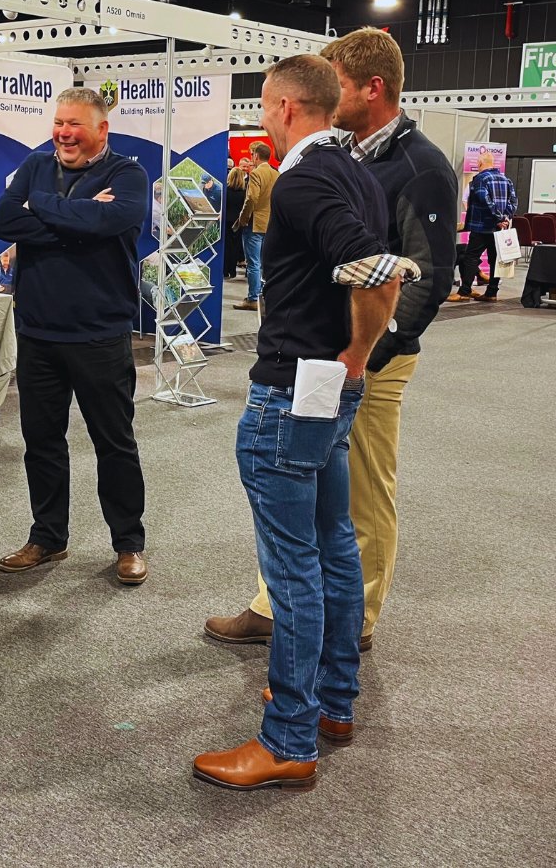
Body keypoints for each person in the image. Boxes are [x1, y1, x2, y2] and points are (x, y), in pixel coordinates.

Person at [205, 26, 459, 655]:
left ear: (372, 87)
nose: (330, 97)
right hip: (325, 354)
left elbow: (424, 275)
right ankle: (278, 607)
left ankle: (356, 621)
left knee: (361, 496)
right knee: (307, 495)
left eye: (339, 84)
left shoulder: (419, 165)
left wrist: (363, 354)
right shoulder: (351, 160)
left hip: (369, 356)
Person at [192, 55, 401, 791]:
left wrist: (357, 352)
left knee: (294, 569)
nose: (261, 120)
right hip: (323, 390)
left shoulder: (308, 177)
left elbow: (377, 268)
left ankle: (288, 739)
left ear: (283, 107)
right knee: (333, 547)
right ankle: (331, 704)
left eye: (262, 109)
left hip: (293, 391)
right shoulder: (358, 173)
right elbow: (371, 268)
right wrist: (356, 360)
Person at [0, 87, 150, 585]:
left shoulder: (128, 174)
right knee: (41, 441)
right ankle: (47, 537)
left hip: (100, 334)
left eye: (75, 124)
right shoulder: (38, 167)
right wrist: (77, 215)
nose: (63, 132)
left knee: (114, 443)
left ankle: (128, 543)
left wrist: (40, 209)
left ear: (102, 129)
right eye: (59, 122)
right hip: (37, 332)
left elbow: (115, 219)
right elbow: (4, 220)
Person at [448, 150, 517, 302]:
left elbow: (484, 199)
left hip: (481, 227)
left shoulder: (480, 179)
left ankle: (464, 291)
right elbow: (513, 202)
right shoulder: (506, 180)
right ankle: (492, 292)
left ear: (480, 163)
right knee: (495, 260)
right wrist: (504, 218)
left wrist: (497, 217)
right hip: (499, 228)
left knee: (471, 257)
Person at [233, 142, 278, 310]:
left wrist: (243, 219)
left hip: (254, 224)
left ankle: (253, 298)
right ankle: (264, 296)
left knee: (253, 264)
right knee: (265, 263)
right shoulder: (276, 173)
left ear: (256, 156)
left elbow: (251, 198)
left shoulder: (256, 174)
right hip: (270, 224)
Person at [222, 167, 246, 278]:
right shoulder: (244, 192)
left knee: (226, 246)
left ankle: (225, 270)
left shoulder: (225, 191)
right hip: (238, 222)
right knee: (235, 246)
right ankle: (233, 271)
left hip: (226, 220)